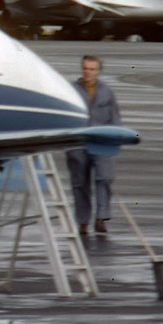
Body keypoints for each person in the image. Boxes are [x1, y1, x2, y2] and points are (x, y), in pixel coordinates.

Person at [68, 55, 121, 235]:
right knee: (80, 183)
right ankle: (83, 221)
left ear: (98, 71)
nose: (88, 72)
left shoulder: (107, 92)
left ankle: (101, 218)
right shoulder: (72, 90)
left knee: (104, 179)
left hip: (101, 141)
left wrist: (114, 139)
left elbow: (114, 117)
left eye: (92, 69)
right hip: (78, 142)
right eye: (85, 68)